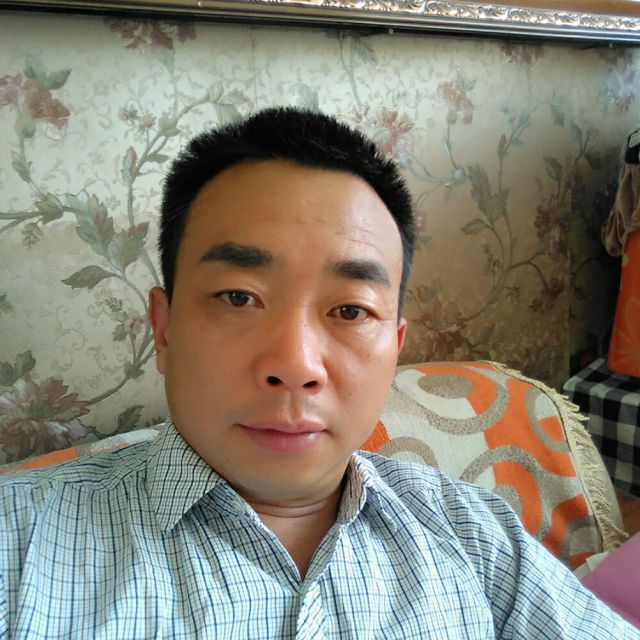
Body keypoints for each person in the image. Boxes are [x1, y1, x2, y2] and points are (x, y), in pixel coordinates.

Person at [0, 107, 637, 639]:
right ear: (164, 330)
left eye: (350, 310)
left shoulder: (477, 536)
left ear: (395, 346)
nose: (296, 365)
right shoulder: (19, 544)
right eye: (238, 297)